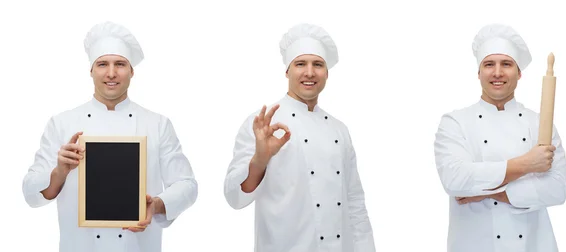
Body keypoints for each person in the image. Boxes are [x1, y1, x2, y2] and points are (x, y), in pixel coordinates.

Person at [22, 21, 198, 252]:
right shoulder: (62, 123)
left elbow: (187, 185)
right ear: (91, 70)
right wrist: (59, 172)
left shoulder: (157, 124)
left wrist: (155, 205)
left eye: (120, 64)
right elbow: (30, 192)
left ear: (132, 71)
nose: (111, 73)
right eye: (103, 64)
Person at [223, 23, 376, 251]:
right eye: (300, 64)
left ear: (326, 73)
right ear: (287, 71)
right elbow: (234, 197)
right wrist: (260, 160)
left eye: (318, 64)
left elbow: (354, 202)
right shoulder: (262, 123)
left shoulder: (339, 130)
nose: (309, 72)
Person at [433, 23, 566, 252]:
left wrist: (491, 192)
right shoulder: (455, 123)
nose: (497, 73)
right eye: (489, 64)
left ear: (519, 73)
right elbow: (455, 179)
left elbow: (558, 189)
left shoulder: (539, 124)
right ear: (478, 73)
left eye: (506, 64)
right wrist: (527, 164)